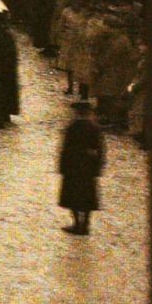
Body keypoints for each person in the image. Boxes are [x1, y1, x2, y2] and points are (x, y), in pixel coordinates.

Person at [58, 100, 105, 235]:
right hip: (88, 167)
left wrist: (62, 167)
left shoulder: (72, 127)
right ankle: (86, 224)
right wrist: (98, 167)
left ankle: (77, 223)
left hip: (73, 167)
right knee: (88, 196)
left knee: (72, 196)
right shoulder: (94, 128)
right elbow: (100, 150)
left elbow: (65, 149)